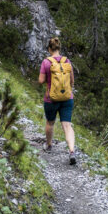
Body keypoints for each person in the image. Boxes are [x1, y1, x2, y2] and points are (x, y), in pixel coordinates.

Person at [38, 37, 76, 165]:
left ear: (49, 49)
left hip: (51, 98)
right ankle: (71, 151)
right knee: (67, 125)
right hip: (67, 98)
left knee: (50, 122)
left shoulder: (46, 62)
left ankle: (48, 145)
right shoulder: (67, 61)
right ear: (59, 48)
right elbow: (72, 81)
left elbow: (41, 81)